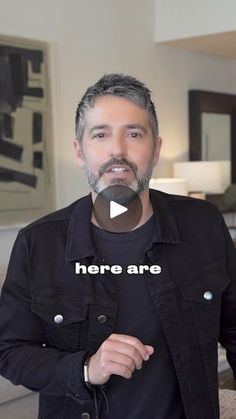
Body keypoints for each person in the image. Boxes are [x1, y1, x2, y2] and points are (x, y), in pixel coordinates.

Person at [0, 73, 235, 419]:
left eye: (134, 133)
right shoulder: (38, 243)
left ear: (155, 149)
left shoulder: (204, 224)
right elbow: (9, 352)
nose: (117, 151)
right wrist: (86, 368)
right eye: (101, 134)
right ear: (79, 151)